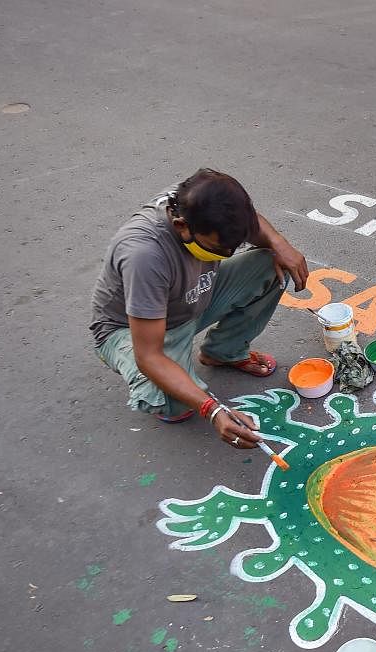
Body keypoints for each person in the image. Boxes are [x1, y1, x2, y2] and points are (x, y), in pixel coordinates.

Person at [89, 168, 309, 449]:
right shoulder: (144, 255)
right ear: (182, 226)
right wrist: (213, 410)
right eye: (220, 248)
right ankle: (169, 392)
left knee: (273, 264)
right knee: (177, 404)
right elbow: (149, 356)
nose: (228, 254)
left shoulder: (204, 199)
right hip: (138, 331)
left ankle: (223, 352)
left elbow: (254, 226)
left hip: (193, 297)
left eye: (234, 246)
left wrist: (280, 243)